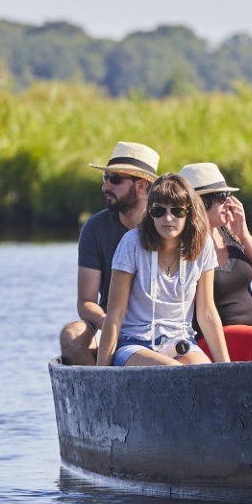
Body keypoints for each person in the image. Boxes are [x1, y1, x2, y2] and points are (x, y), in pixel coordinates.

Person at [96, 174, 230, 367]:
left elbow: (207, 313)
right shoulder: (132, 242)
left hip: (181, 343)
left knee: (205, 374)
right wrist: (102, 373)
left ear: (189, 212)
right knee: (172, 370)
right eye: (159, 210)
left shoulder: (203, 244)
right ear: (150, 212)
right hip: (134, 344)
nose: (168, 218)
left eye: (177, 211)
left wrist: (226, 368)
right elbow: (115, 314)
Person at [179, 162, 252, 362]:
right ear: (200, 204)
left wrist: (245, 235)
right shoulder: (186, 247)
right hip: (215, 337)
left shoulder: (230, 234)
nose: (229, 203)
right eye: (221, 197)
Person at [60, 142, 159, 366]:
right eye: (105, 178)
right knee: (72, 336)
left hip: (156, 323)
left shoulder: (166, 225)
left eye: (114, 180)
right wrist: (108, 323)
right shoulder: (95, 227)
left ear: (141, 186)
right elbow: (86, 301)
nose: (105, 187)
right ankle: (100, 396)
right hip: (109, 320)